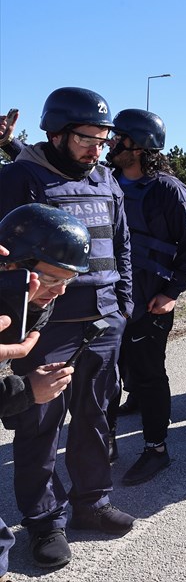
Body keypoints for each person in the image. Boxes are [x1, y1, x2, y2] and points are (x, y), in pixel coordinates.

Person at [0, 87, 136, 566]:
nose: (95, 149)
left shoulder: (106, 179)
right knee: (40, 423)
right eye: (86, 138)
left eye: (102, 140)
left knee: (97, 415)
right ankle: (43, 522)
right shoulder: (18, 177)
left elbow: (122, 245)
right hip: (47, 323)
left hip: (102, 322)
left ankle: (91, 503)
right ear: (56, 132)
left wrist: (123, 303)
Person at [106, 109, 186, 485]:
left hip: (151, 301)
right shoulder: (107, 181)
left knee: (148, 376)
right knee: (105, 376)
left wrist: (171, 293)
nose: (110, 144)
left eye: (118, 138)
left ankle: (156, 449)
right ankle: (106, 439)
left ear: (138, 144)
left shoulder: (168, 189)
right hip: (110, 300)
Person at [0, 206, 87, 576]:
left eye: (67, 281)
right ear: (12, 266)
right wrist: (25, 392)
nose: (59, 292)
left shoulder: (30, 299)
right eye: (51, 279)